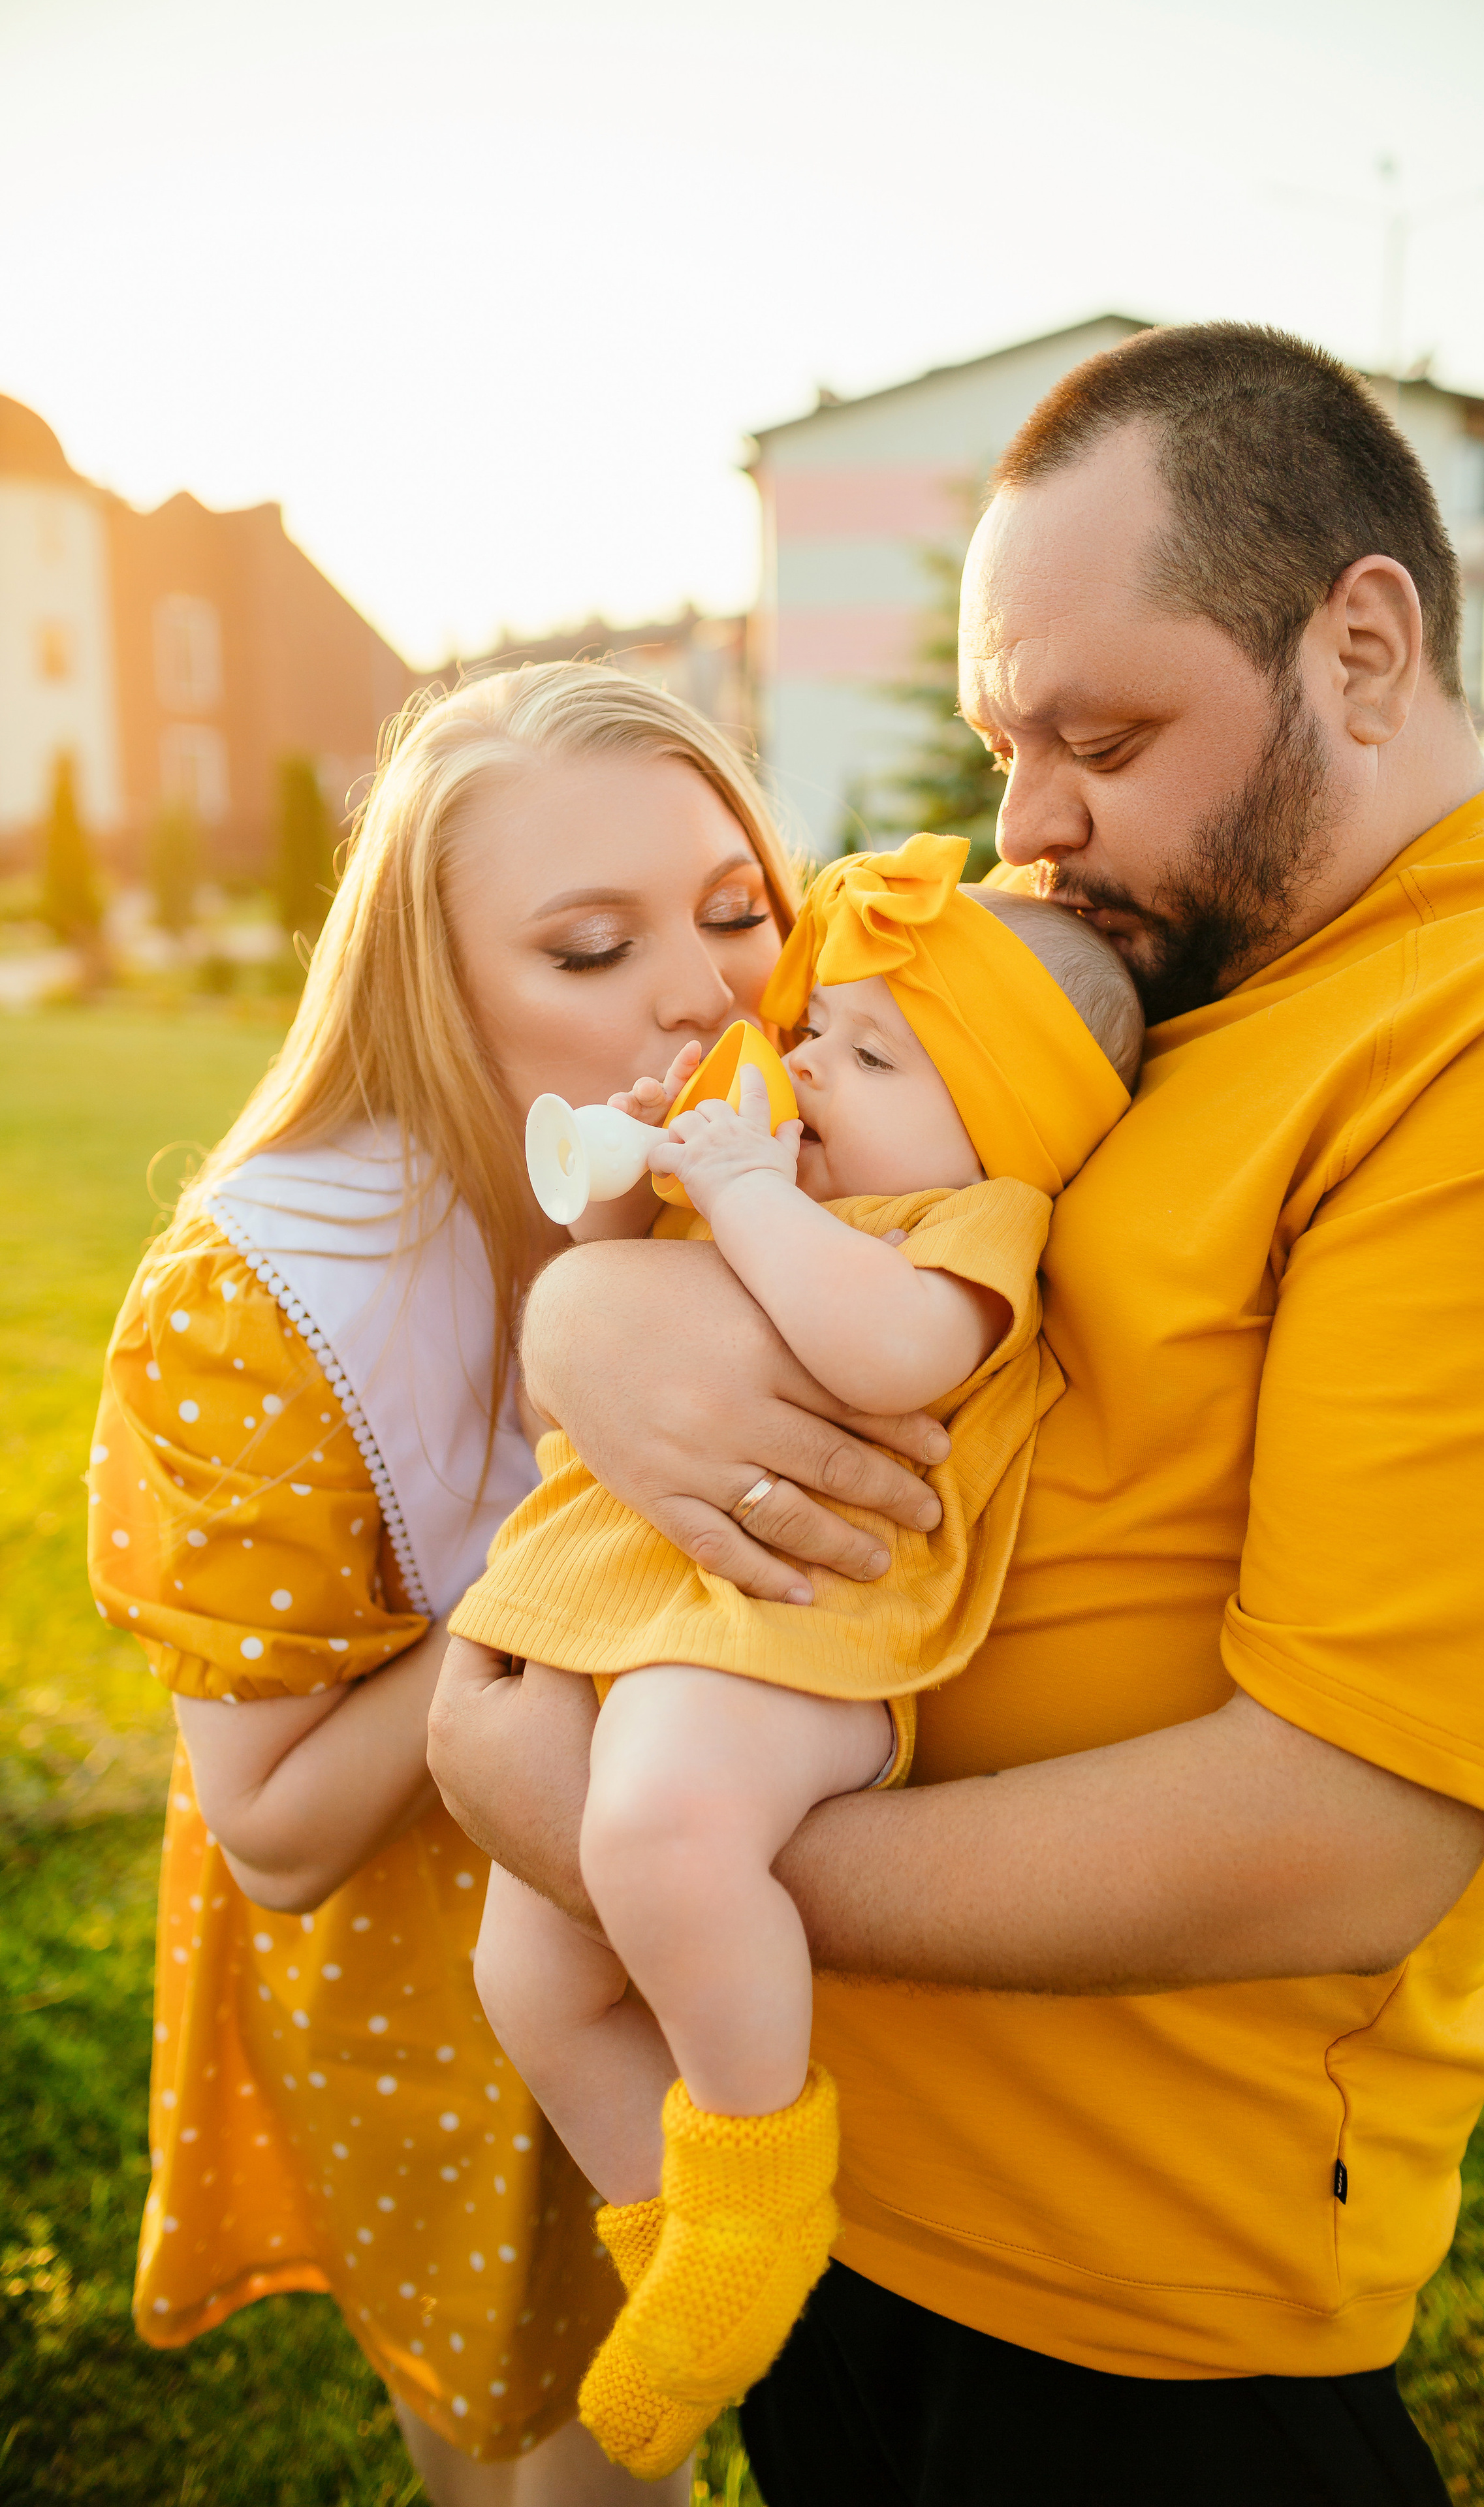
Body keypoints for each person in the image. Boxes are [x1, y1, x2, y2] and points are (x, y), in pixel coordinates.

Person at [430, 324, 1484, 2507]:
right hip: (821, 2172)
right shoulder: (1082, 924)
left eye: (1104, 733)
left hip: (1123, 2319)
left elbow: (1351, 1830)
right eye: (1012, 735)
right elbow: (707, 1136)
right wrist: (583, 1336)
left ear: (1365, 649)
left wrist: (659, 1843)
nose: (1025, 821)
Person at [86, 661, 829, 2505]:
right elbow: (273, 1828)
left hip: (709, 1930)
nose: (703, 991)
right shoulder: (259, 1298)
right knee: (518, 2433)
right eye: (588, 950)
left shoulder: (801, 1178)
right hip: (418, 1973)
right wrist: (580, 1525)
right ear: (437, 987)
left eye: (739, 914)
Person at [449, 834, 1141, 2476]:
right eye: (817, 1028)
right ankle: (689, 2247)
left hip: (805, 1647)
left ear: (1001, 1125)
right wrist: (638, 1167)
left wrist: (751, 1190)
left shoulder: (964, 1231)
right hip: (663, 1622)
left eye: (872, 1053)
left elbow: (884, 1354)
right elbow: (599, 1276)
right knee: (528, 1973)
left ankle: (757, 2170)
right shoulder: (784, 1190)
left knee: (648, 1834)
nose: (809, 1057)